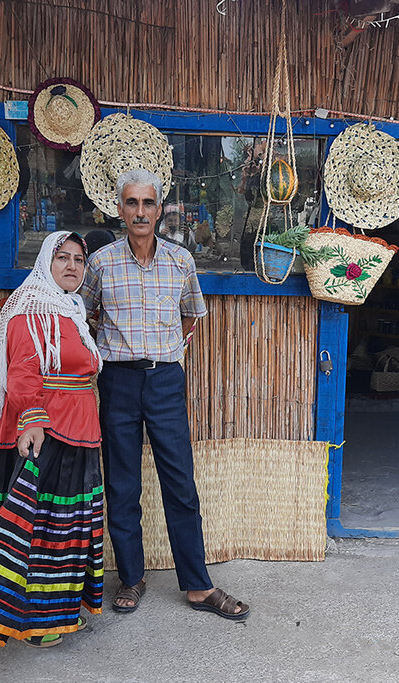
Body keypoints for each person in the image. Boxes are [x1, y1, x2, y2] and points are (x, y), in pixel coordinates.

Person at [80, 168, 249, 621]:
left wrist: (171, 351)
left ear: (160, 209)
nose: (140, 211)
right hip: (117, 382)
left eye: (147, 203)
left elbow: (192, 315)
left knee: (180, 484)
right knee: (121, 484)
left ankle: (197, 585)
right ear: (119, 209)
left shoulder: (180, 261)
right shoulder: (100, 263)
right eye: (131, 203)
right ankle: (131, 578)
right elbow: (84, 313)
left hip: (166, 382)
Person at [0, 230, 104, 648]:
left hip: (79, 433)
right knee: (41, 529)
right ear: (45, 264)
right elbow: (22, 371)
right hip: (49, 433)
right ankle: (30, 619)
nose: (71, 266)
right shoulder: (30, 310)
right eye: (62, 258)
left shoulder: (71, 312)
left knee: (66, 529)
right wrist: (32, 422)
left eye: (78, 260)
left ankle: (56, 612)